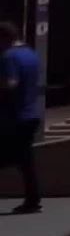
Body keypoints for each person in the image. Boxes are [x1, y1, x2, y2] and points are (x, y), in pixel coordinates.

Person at [0, 21, 41, 214]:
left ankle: (33, 200)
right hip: (30, 115)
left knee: (14, 158)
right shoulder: (31, 54)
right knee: (25, 161)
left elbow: (10, 83)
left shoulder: (9, 56)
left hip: (14, 118)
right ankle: (33, 200)